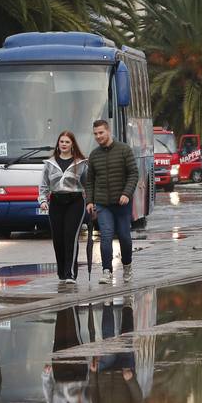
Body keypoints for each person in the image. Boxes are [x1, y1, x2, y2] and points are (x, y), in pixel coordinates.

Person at [85, 118, 139, 284]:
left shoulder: (124, 150)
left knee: (124, 236)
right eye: (95, 134)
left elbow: (133, 174)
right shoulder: (94, 155)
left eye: (101, 132)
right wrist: (90, 201)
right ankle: (106, 271)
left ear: (108, 131)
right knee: (106, 236)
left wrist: (126, 193)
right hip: (102, 204)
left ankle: (127, 266)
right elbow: (90, 181)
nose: (98, 136)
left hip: (122, 203)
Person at [38, 130, 89, 284]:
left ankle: (70, 274)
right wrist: (43, 201)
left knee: (70, 236)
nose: (64, 144)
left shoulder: (80, 163)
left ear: (72, 144)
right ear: (58, 144)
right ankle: (61, 273)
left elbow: (88, 184)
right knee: (58, 239)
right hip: (56, 202)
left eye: (67, 142)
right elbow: (43, 185)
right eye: (62, 142)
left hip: (75, 202)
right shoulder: (49, 164)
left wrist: (91, 201)